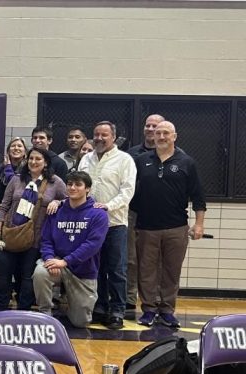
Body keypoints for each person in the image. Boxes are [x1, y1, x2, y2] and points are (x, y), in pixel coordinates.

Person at [131, 121, 206, 328]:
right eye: (158, 133)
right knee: (146, 271)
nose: (161, 136)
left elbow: (198, 196)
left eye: (166, 133)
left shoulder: (187, 162)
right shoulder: (141, 161)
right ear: (152, 137)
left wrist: (199, 224)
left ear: (174, 136)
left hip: (176, 227)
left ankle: (167, 310)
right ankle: (148, 309)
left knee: (171, 270)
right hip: (146, 226)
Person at [77, 121, 136, 328]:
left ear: (113, 136)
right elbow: (79, 187)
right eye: (96, 135)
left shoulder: (124, 160)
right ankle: (100, 306)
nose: (99, 138)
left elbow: (127, 191)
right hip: (90, 225)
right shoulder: (86, 158)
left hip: (115, 224)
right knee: (97, 268)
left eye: (104, 135)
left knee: (117, 269)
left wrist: (108, 206)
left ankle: (118, 310)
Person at [0, 148, 66, 313]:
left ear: (45, 162)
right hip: (10, 233)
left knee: (27, 276)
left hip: (35, 237)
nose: (33, 162)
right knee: (3, 273)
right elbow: (4, 205)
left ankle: (23, 310)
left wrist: (59, 203)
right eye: (31, 158)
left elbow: (69, 199)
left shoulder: (55, 182)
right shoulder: (16, 180)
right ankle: (0, 308)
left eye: (38, 159)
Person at [33, 171, 107, 328]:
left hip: (83, 270)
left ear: (87, 189)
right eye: (70, 184)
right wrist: (49, 259)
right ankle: (45, 313)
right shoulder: (56, 210)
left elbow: (92, 245)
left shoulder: (98, 214)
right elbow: (46, 240)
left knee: (81, 322)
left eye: (78, 185)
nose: (73, 188)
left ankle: (69, 301)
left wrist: (65, 262)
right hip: (57, 264)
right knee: (40, 272)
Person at [125, 114, 165, 315]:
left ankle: (154, 299)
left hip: (158, 215)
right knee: (131, 258)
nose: (150, 129)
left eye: (155, 126)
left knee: (154, 259)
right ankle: (130, 297)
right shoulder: (132, 154)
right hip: (133, 211)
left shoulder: (174, 155)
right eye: (148, 125)